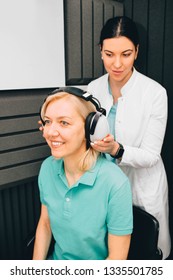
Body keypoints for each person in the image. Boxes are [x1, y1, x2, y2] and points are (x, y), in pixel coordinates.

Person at [87, 16, 171, 259]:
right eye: (109, 54)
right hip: (104, 188)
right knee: (113, 255)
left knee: (146, 254)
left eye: (125, 54)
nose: (117, 63)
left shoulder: (155, 93)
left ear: (136, 51)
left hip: (142, 188)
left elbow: (151, 155)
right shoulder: (92, 90)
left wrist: (116, 150)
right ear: (100, 51)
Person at [33, 87, 133, 260]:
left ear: (91, 130)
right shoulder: (47, 168)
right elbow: (45, 224)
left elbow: (117, 258)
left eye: (64, 122)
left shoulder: (115, 183)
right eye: (48, 122)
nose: (50, 132)